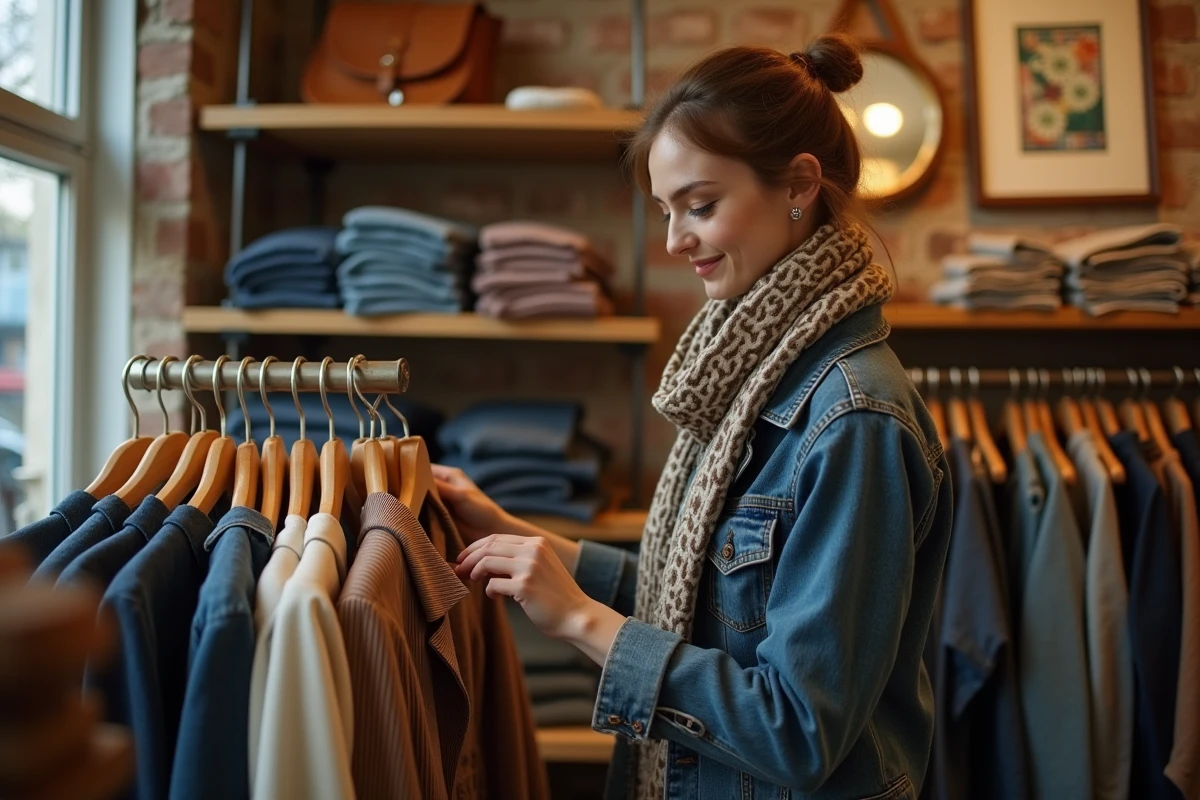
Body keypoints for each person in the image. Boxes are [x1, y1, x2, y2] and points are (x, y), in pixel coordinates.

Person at [437, 34, 953, 800]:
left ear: (798, 186)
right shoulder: (754, 374)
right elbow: (717, 602)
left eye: (700, 206)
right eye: (665, 211)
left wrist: (582, 621)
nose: (676, 240)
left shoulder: (852, 419)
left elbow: (799, 729)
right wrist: (519, 533)